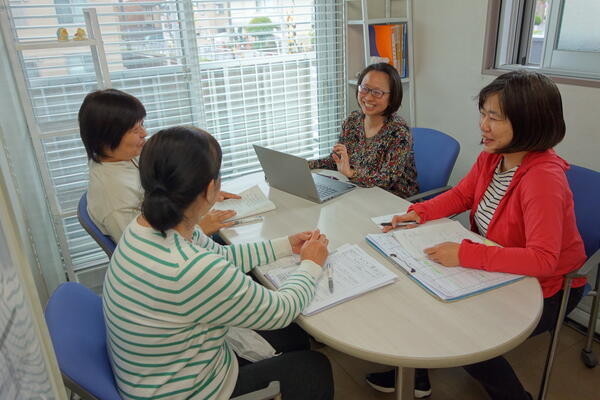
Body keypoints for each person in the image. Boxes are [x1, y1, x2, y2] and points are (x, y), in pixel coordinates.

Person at [367, 70, 587, 400]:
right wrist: (418, 213)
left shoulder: (542, 179)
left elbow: (544, 259)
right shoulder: (492, 157)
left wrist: (466, 254)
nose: (483, 126)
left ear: (528, 122)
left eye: (494, 118)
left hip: (550, 287)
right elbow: (462, 195)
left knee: (469, 339)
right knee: (424, 291)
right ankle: (418, 375)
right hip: (500, 267)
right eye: (483, 114)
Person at [103, 125, 334, 400]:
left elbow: (221, 255)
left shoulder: (146, 227)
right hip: (190, 391)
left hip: (160, 372)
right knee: (313, 368)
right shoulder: (189, 268)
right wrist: (310, 264)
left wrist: (286, 245)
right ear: (211, 188)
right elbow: (280, 309)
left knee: (293, 337)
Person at [78, 88, 239, 243]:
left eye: (142, 124)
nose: (144, 133)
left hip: (178, 228)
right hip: (177, 249)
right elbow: (144, 252)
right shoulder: (114, 198)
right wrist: (199, 228)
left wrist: (197, 194)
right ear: (107, 138)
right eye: (135, 130)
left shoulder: (121, 157)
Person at [308, 63, 419, 198]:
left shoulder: (399, 132)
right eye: (364, 89)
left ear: (392, 97)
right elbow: (337, 161)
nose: (368, 97)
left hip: (394, 202)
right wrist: (305, 165)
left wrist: (351, 173)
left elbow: (387, 179)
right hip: (359, 191)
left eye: (377, 92)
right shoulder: (352, 121)